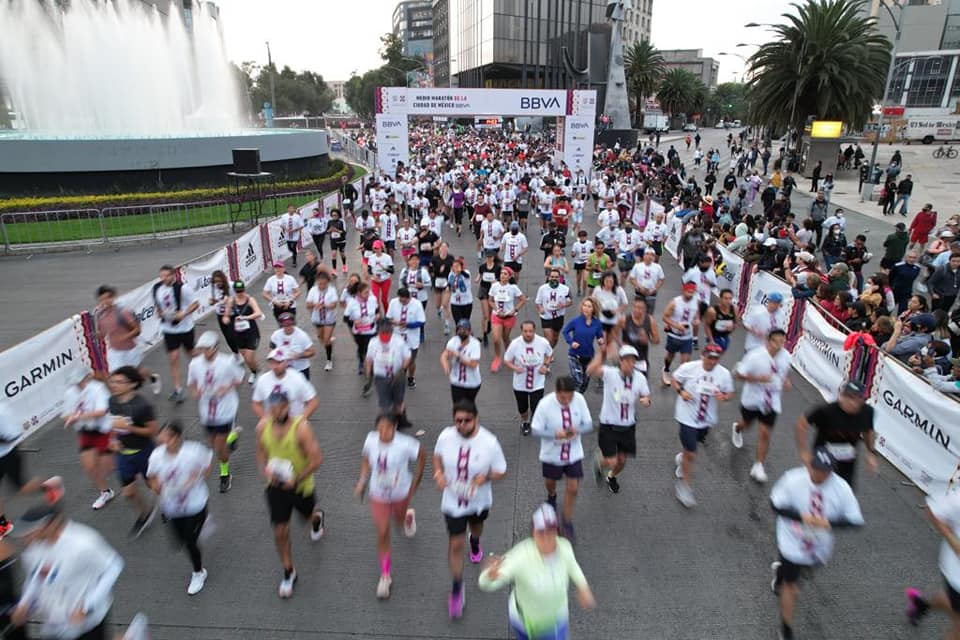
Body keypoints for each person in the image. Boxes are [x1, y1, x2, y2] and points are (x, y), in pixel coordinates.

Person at [769, 447, 864, 640]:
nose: (819, 475)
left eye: (825, 471)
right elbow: (775, 505)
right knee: (792, 587)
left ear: (831, 471)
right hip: (792, 539)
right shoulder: (793, 479)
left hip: (819, 544)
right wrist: (801, 517)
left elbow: (855, 521)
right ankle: (786, 629)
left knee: (804, 571)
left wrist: (829, 523)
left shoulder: (842, 488)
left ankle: (781, 573)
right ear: (809, 465)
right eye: (816, 469)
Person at [432, 399, 508, 618]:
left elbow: (501, 471)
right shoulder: (446, 436)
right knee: (455, 543)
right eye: (458, 421)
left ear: (476, 419)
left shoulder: (489, 442)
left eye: (467, 420)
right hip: (453, 501)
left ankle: (475, 542)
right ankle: (457, 587)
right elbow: (437, 457)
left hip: (478, 500)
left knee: (476, 527)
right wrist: (438, 473)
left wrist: (485, 478)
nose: (462, 425)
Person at [478, 503, 595, 640]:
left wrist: (583, 587)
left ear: (556, 530)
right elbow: (486, 584)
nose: (546, 537)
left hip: (553, 625)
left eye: (550, 530)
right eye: (541, 531)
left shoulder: (564, 547)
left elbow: (573, 567)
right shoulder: (520, 555)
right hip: (521, 621)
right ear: (533, 533)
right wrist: (489, 576)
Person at [10, 504, 124, 640]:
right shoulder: (32, 550)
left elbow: (113, 566)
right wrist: (25, 603)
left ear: (50, 525)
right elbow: (35, 577)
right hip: (55, 623)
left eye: (31, 532)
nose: (25, 537)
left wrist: (88, 606)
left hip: (86, 622)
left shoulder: (84, 542)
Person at [256, 390, 325, 599]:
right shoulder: (262, 427)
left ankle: (317, 518)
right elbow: (260, 452)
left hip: (300, 486)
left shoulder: (301, 428)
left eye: (282, 407)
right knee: (279, 530)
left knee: (307, 516)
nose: (278, 412)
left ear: (288, 407)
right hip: (275, 486)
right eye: (273, 408)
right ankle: (288, 570)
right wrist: (265, 469)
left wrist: (297, 479)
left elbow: (317, 459)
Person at [354, 413, 426, 599]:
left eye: (387, 428)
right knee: (383, 531)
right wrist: (362, 481)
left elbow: (422, 456)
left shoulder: (405, 443)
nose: (383, 433)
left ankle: (407, 516)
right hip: (378, 492)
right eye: (380, 429)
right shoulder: (371, 439)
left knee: (399, 524)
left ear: (395, 427)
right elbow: (366, 459)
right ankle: (385, 575)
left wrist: (416, 482)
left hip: (400, 492)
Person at [146, 421, 212, 595]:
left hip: (195, 503)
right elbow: (151, 477)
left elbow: (207, 466)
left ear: (178, 437)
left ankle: (198, 572)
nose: (164, 442)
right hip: (172, 506)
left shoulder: (193, 451)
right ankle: (199, 530)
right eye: (162, 438)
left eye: (168, 437)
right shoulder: (156, 456)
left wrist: (196, 477)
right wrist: (157, 487)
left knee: (190, 541)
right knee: (180, 542)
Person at [672, 345, 735, 508]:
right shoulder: (689, 368)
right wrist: (681, 392)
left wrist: (724, 397)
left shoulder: (724, 374)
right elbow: (675, 379)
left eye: (716, 358)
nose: (713, 361)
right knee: (692, 454)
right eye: (710, 357)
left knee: (691, 449)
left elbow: (730, 393)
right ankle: (684, 488)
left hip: (706, 420)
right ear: (703, 356)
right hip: (686, 416)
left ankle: (682, 458)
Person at [530, 376, 592, 541]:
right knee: (551, 481)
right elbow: (535, 430)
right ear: (556, 392)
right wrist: (553, 434)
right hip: (552, 454)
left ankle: (566, 520)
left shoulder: (579, 399)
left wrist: (577, 430)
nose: (567, 401)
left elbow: (589, 425)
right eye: (563, 397)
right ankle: (552, 495)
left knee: (573, 487)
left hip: (573, 452)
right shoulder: (545, 404)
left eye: (569, 397)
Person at [587, 345, 651, 494]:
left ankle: (611, 476)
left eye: (633, 360)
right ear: (620, 361)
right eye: (627, 360)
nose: (630, 363)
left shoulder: (640, 378)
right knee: (611, 461)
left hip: (628, 426)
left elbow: (646, 396)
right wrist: (601, 354)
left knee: (621, 461)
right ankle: (599, 462)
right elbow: (590, 371)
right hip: (608, 425)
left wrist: (646, 401)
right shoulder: (610, 374)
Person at [731, 329, 793, 483]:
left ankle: (758, 466)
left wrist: (785, 381)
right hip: (753, 398)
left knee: (765, 433)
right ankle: (737, 428)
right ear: (767, 341)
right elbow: (737, 375)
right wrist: (758, 378)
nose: (779, 345)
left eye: (782, 342)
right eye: (776, 342)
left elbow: (784, 374)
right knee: (746, 424)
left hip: (772, 400)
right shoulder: (755, 356)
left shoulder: (786, 356)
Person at [187, 331, 243, 494]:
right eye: (201, 348)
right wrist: (195, 392)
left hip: (226, 409)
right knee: (214, 444)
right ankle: (232, 437)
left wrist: (226, 388)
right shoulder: (194, 364)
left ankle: (225, 474)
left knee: (219, 448)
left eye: (207, 348)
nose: (203, 352)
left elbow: (239, 379)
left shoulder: (227, 362)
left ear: (215, 348)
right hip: (206, 411)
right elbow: (191, 384)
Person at [107, 366, 160, 537]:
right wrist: (113, 439)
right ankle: (144, 514)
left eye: (119, 382)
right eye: (112, 381)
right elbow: (113, 424)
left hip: (144, 451)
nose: (114, 385)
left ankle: (170, 506)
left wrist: (129, 427)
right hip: (123, 454)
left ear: (132, 384)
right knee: (128, 493)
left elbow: (152, 431)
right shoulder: (112, 401)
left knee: (154, 486)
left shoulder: (142, 406)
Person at [795, 381, 877, 490]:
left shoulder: (867, 412)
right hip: (823, 457)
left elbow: (868, 430)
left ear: (862, 400)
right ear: (842, 395)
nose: (850, 402)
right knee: (818, 489)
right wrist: (803, 452)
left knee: (844, 491)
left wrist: (871, 452)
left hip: (847, 461)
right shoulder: (827, 411)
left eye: (855, 398)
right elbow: (801, 424)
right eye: (847, 396)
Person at [62, 370, 115, 510]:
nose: (79, 384)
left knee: (108, 468)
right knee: (89, 467)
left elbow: (102, 412)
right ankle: (105, 492)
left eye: (81, 380)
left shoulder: (98, 388)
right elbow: (66, 415)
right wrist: (71, 418)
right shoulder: (70, 393)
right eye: (76, 382)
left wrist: (78, 417)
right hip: (86, 431)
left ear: (87, 377)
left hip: (103, 430)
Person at [94, 285, 158, 393]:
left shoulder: (123, 312)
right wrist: (98, 335)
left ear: (113, 298)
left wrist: (125, 337)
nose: (105, 302)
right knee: (115, 376)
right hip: (114, 352)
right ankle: (121, 398)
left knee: (138, 371)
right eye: (102, 300)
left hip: (130, 350)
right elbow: (103, 332)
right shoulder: (99, 315)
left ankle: (153, 377)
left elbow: (137, 330)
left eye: (107, 298)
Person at [154, 264, 199, 403]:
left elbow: (196, 303)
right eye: (161, 276)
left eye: (166, 276)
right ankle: (177, 389)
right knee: (173, 358)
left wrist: (184, 313)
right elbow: (158, 305)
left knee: (192, 355)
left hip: (185, 328)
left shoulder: (183, 288)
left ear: (173, 275)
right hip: (169, 329)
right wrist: (160, 313)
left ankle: (205, 374)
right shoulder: (157, 289)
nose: (163, 278)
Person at [503, 321, 554, 436]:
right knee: (522, 408)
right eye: (525, 331)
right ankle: (525, 421)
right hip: (520, 384)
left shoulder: (542, 342)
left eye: (530, 331)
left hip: (538, 382)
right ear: (521, 331)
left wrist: (545, 366)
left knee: (536, 406)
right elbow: (506, 360)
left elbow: (550, 354)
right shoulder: (515, 344)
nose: (528, 334)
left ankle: (534, 421)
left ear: (534, 331)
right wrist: (514, 368)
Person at [366, 320, 412, 427]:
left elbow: (407, 357)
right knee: (385, 404)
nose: (385, 335)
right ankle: (388, 424)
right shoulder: (373, 343)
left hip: (397, 376)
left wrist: (402, 369)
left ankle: (402, 419)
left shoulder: (399, 341)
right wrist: (368, 376)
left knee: (398, 402)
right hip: (381, 377)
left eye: (387, 332)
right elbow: (369, 359)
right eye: (383, 332)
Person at [250, 349, 319, 421]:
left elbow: (313, 401)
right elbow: (256, 403)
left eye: (279, 362)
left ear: (286, 363)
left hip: (294, 423)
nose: (275, 366)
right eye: (272, 362)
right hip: (273, 424)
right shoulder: (263, 379)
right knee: (259, 428)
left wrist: (302, 419)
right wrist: (265, 418)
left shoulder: (297, 378)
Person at [222, 280, 264, 384]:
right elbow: (226, 316)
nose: (240, 293)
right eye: (237, 291)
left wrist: (245, 317)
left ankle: (257, 372)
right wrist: (226, 320)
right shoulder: (232, 300)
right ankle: (255, 372)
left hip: (252, 333)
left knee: (249, 358)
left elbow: (258, 313)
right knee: (246, 358)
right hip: (239, 334)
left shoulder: (250, 300)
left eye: (241, 291)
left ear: (244, 290)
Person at [562, 298, 605, 394]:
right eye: (584, 305)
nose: (585, 308)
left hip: (588, 356)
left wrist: (601, 340)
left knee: (584, 383)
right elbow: (565, 331)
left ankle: (577, 397)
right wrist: (571, 342)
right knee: (578, 380)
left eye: (589, 306)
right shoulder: (576, 321)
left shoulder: (597, 323)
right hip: (574, 355)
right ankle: (570, 396)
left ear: (593, 309)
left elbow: (600, 336)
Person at [661, 282, 700, 386]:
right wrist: (676, 326)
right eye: (688, 292)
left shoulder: (696, 302)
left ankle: (680, 380)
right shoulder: (675, 302)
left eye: (692, 292)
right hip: (674, 335)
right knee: (670, 356)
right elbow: (664, 317)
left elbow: (696, 316)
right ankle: (666, 369)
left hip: (687, 336)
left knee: (685, 361)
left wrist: (696, 321)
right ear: (684, 290)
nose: (690, 294)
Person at [488, 267, 527, 372]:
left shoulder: (513, 288)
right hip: (497, 316)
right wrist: (496, 309)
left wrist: (514, 310)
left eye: (505, 274)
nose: (502, 276)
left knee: (505, 338)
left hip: (509, 317)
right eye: (501, 273)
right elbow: (490, 300)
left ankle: (509, 355)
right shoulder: (494, 286)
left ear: (510, 276)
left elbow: (523, 300)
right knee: (496, 339)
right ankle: (497, 358)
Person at [343, 281, 381, 379]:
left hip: (371, 329)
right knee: (361, 348)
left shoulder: (373, 299)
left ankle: (371, 366)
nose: (368, 294)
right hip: (359, 331)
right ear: (359, 293)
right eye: (366, 293)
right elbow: (345, 318)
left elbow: (377, 311)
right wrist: (354, 321)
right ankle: (361, 361)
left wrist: (377, 316)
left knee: (370, 348)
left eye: (368, 292)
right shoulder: (352, 303)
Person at [441, 319, 483, 404]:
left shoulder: (475, 344)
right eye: (460, 329)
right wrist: (446, 366)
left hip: (472, 383)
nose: (462, 332)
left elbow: (473, 364)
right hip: (456, 382)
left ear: (469, 331)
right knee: (458, 406)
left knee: (469, 406)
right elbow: (444, 355)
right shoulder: (453, 342)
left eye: (464, 330)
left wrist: (458, 355)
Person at [305, 270, 338, 372]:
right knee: (321, 339)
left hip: (329, 319)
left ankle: (329, 361)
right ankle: (328, 342)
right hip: (317, 318)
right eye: (320, 283)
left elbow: (334, 305)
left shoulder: (332, 290)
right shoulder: (313, 290)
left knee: (326, 340)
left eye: (324, 283)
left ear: (328, 282)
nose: (322, 285)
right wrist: (315, 305)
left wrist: (325, 305)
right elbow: (308, 305)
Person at [269, 312, 315, 381]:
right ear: (281, 324)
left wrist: (299, 356)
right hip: (284, 370)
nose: (288, 327)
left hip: (300, 370)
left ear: (293, 323)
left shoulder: (302, 335)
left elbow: (312, 352)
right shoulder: (276, 334)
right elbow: (272, 348)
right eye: (285, 324)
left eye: (290, 324)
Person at [620, 296, 659, 376]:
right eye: (634, 306)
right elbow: (613, 333)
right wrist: (620, 344)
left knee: (640, 385)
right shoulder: (624, 319)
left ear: (645, 309)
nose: (636, 310)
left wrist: (647, 339)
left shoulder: (650, 321)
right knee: (623, 385)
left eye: (640, 307)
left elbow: (657, 340)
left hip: (641, 360)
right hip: (626, 359)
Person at [535, 269, 573, 348]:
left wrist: (563, 305)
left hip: (558, 317)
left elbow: (570, 302)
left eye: (556, 277)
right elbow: (538, 302)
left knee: (555, 339)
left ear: (559, 278)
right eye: (552, 277)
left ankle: (550, 351)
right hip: (546, 316)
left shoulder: (565, 289)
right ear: (548, 278)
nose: (554, 278)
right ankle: (548, 354)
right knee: (549, 339)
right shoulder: (542, 288)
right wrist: (540, 308)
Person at [628, 248, 665, 313]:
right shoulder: (637, 266)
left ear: (654, 257)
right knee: (638, 313)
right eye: (647, 254)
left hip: (651, 294)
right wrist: (639, 286)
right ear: (644, 256)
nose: (649, 256)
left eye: (652, 255)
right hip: (639, 293)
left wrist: (654, 289)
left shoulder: (658, 267)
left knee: (649, 314)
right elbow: (631, 278)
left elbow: (661, 279)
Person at [327, 208, 349, 273]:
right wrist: (329, 230)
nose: (334, 217)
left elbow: (344, 232)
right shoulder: (330, 222)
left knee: (342, 254)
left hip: (341, 240)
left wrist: (337, 231)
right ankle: (334, 270)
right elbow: (326, 231)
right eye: (333, 215)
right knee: (333, 254)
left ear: (338, 215)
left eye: (335, 215)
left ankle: (344, 265)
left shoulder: (342, 222)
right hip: (333, 240)